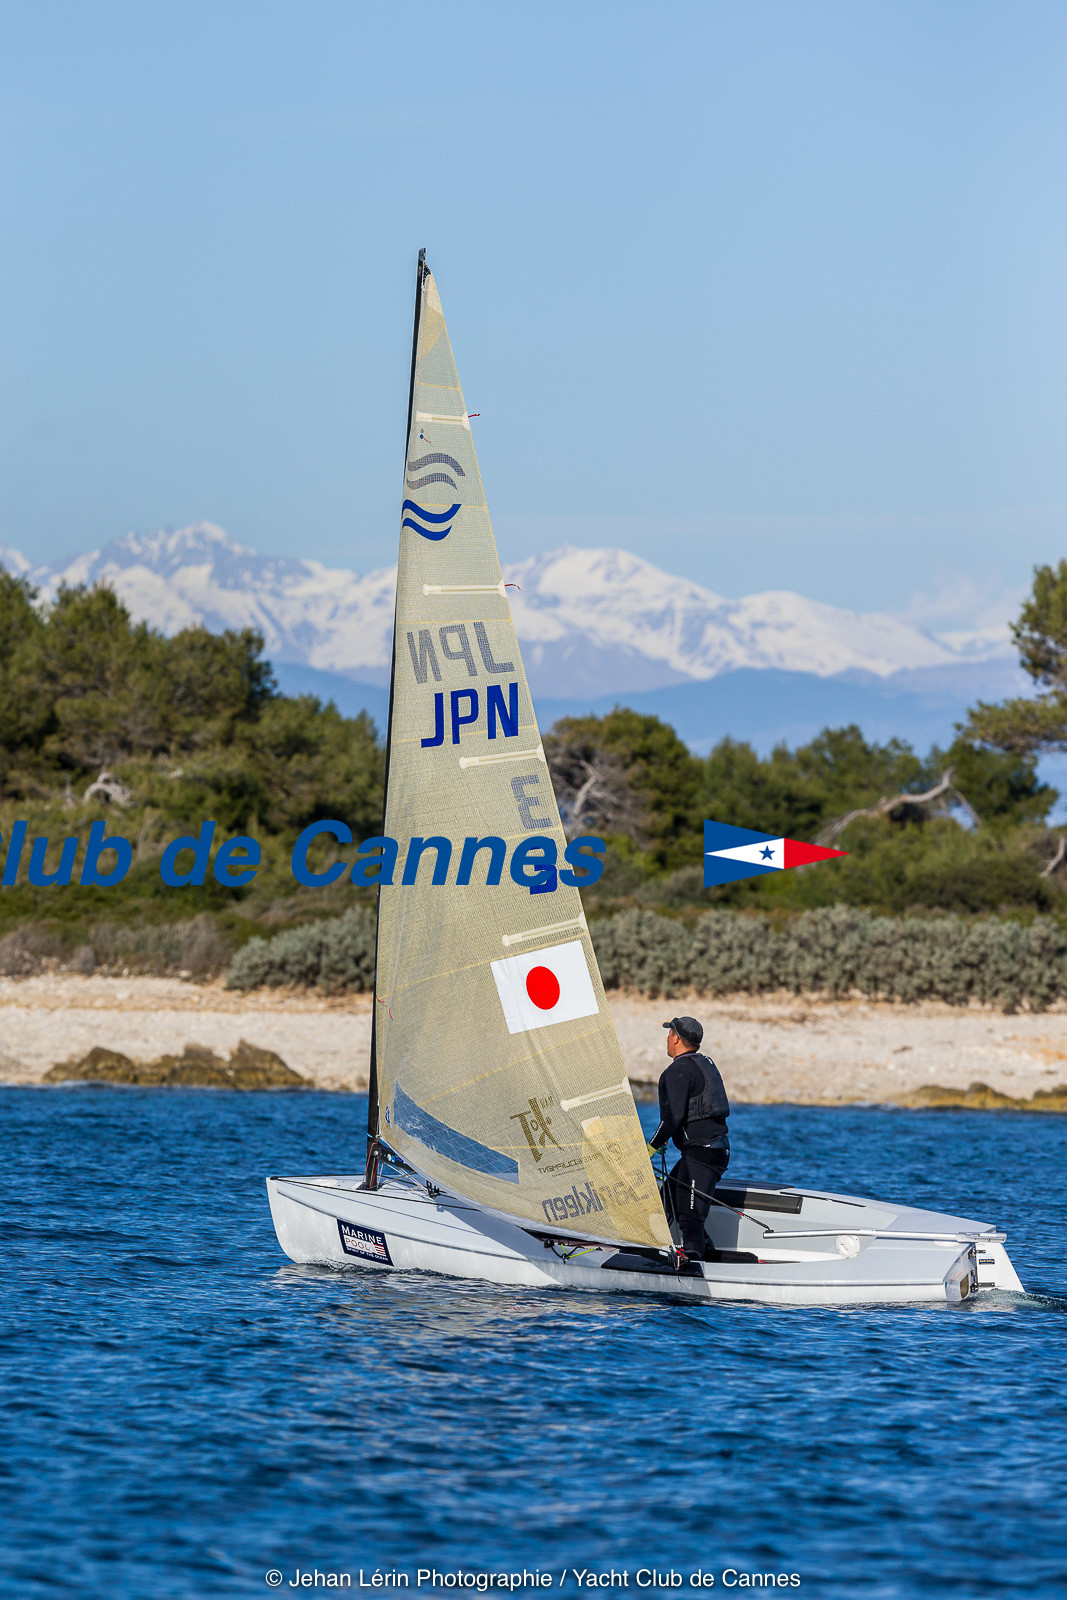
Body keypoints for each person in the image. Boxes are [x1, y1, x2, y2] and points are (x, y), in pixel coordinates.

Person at [647, 1015, 730, 1271]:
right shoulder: (704, 1062)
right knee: (667, 1203)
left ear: (676, 1038)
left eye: (669, 1033)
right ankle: (707, 1253)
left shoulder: (677, 1071)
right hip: (709, 1151)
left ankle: (695, 1263)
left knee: (690, 1217)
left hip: (703, 1153)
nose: (667, 1038)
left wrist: (650, 1148)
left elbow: (672, 1118)